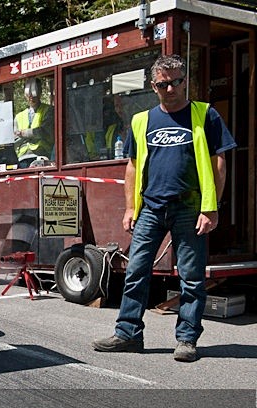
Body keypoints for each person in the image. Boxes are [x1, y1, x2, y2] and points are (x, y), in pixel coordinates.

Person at [92, 54, 237, 363]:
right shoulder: (141, 120)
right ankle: (128, 334)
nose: (169, 89)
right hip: (150, 208)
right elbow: (132, 167)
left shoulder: (205, 114)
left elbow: (219, 162)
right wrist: (130, 208)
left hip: (190, 206)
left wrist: (211, 208)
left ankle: (187, 340)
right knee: (135, 271)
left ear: (186, 82)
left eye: (175, 82)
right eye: (162, 84)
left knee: (191, 277)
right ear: (152, 85)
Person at [13, 78, 54, 168]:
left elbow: (43, 131)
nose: (31, 96)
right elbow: (14, 138)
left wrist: (23, 133)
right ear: (25, 94)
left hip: (42, 156)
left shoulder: (49, 110)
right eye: (29, 93)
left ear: (40, 92)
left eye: (35, 92)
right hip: (23, 159)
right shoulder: (19, 116)